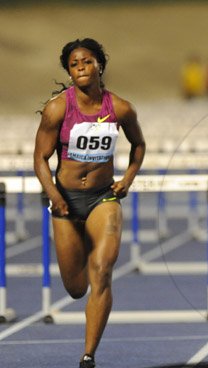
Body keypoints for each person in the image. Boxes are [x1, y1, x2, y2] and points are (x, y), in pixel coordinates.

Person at [33, 38, 146, 368]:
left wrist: (127, 178)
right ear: (69, 72)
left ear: (100, 65)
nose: (81, 67)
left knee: (102, 271)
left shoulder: (120, 108)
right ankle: (79, 286)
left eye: (87, 61)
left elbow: (138, 145)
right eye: (74, 64)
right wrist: (52, 193)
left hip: (103, 198)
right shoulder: (58, 108)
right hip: (65, 201)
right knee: (75, 287)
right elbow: (40, 157)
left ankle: (88, 355)